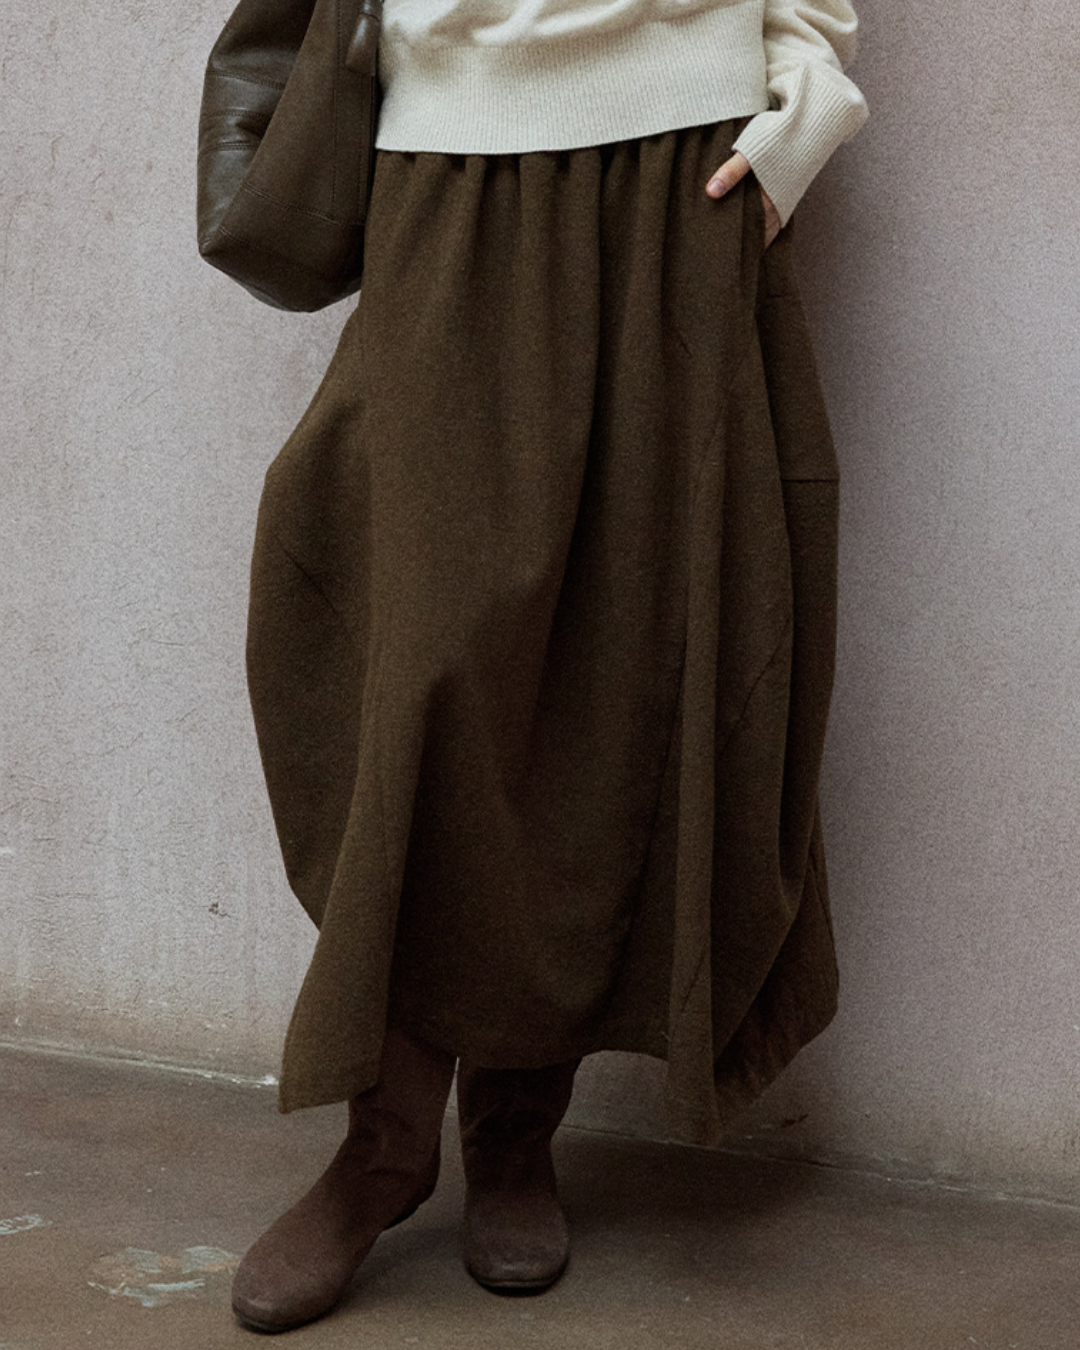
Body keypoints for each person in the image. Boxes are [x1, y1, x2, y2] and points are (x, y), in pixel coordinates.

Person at [228, 0, 869, 1333]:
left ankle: (514, 1131)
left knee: (611, 671)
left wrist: (798, 116)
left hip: (683, 176)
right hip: (446, 164)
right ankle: (386, 1144)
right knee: (420, 669)